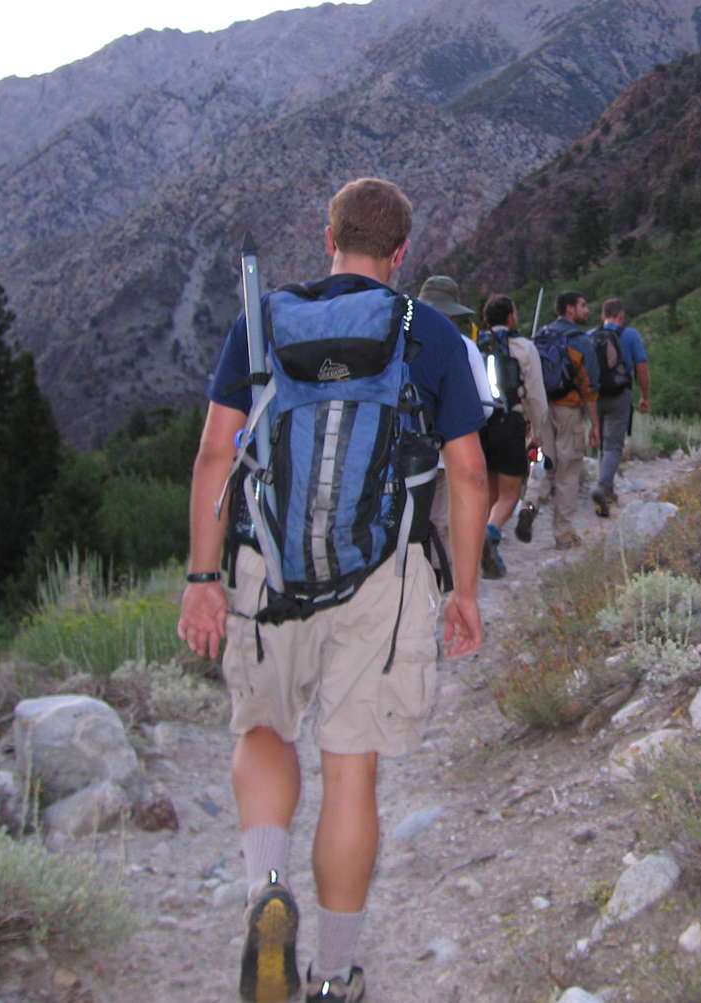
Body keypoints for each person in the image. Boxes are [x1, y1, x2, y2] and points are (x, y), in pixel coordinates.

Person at [179, 178, 487, 1003]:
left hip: (268, 569)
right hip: (381, 577)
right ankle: (333, 974)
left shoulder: (264, 320)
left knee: (263, 729)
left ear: (329, 238)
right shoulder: (428, 331)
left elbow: (214, 455)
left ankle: (265, 884)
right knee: (351, 771)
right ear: (401, 252)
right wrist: (463, 590)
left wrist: (203, 579)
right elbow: (467, 472)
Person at [415, 274, 496, 577]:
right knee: (441, 524)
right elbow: (483, 406)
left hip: (400, 456)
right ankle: (440, 582)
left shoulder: (394, 339)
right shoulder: (462, 345)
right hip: (445, 455)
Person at [475, 293, 550, 576]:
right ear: (510, 317)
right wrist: (538, 430)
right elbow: (536, 395)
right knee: (509, 495)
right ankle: (490, 535)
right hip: (511, 424)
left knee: (490, 493)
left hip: (482, 425)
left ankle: (482, 551)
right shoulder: (524, 348)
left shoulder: (477, 345)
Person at [529, 289, 598, 550]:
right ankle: (564, 532)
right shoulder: (580, 340)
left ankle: (529, 505)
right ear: (570, 309)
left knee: (543, 463)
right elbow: (590, 386)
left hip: (542, 408)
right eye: (583, 306)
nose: (587, 310)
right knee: (568, 470)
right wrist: (595, 425)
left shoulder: (541, 334)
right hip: (568, 410)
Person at [589, 297, 650, 517]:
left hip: (595, 396)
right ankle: (603, 486)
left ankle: (608, 491)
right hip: (619, 395)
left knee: (602, 443)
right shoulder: (631, 335)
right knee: (613, 445)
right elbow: (641, 369)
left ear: (602, 316)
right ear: (621, 316)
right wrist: (644, 396)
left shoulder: (590, 335)